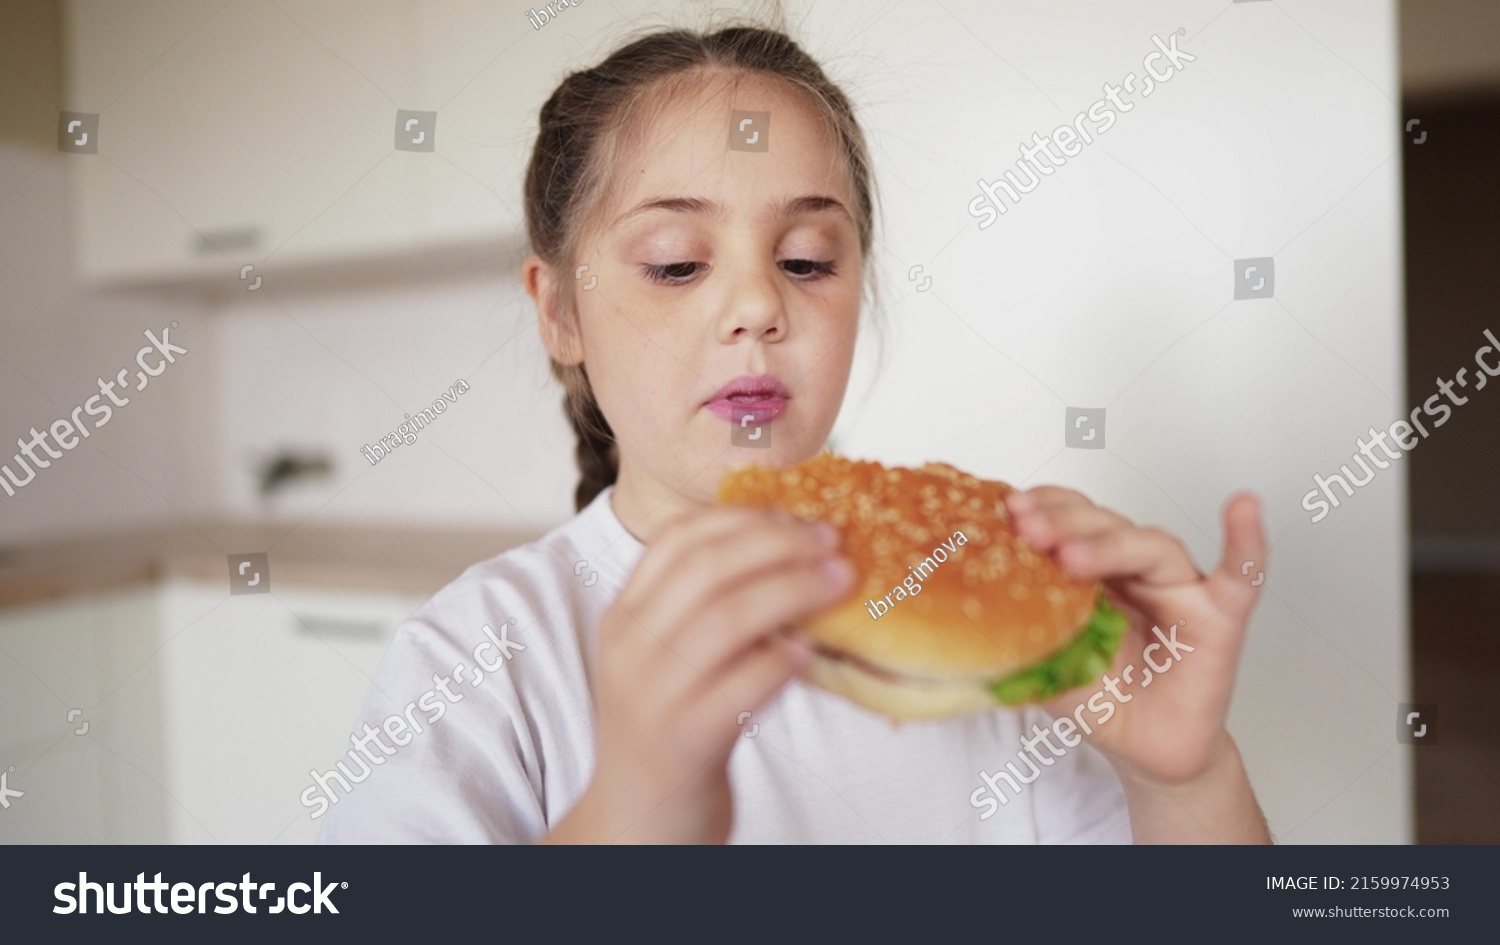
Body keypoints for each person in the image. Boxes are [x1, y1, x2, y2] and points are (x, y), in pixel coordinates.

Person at [318, 22, 1270, 844]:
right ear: (560, 309)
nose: (757, 306)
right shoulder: (479, 655)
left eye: (808, 260)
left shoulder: (978, 622)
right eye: (678, 263)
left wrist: (1181, 778)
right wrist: (634, 814)